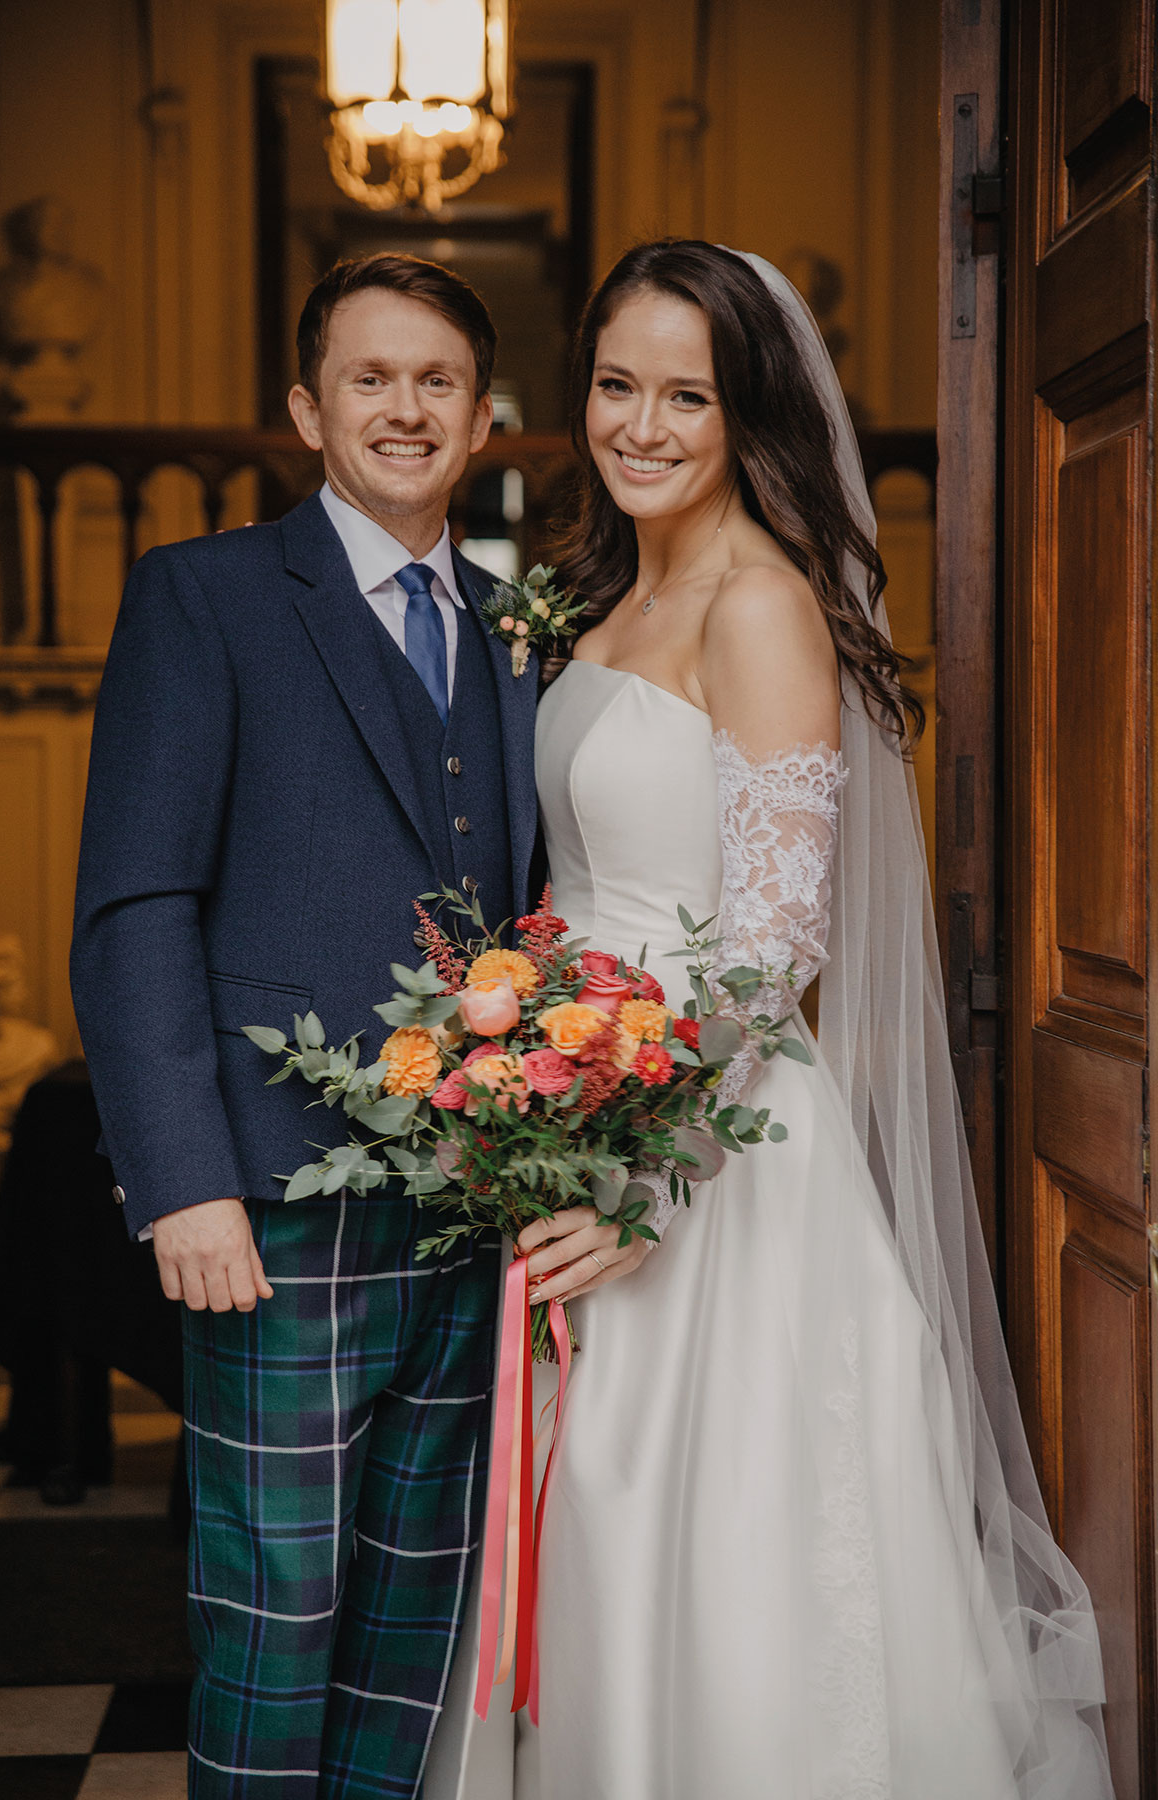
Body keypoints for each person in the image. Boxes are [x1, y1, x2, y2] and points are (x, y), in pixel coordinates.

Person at [425, 242, 1114, 1798]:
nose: (643, 425)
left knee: (722, 1545)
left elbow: (774, 948)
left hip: (706, 1149)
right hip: (582, 1108)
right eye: (617, 385)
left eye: (690, 394)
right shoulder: (604, 589)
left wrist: (638, 1175)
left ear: (751, 416)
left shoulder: (761, 605)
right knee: (599, 1530)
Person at [70, 252, 539, 1798]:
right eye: (370, 377)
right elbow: (137, 905)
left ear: (483, 417)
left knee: (420, 1611)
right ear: (306, 408)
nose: (406, 408)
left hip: (476, 1197)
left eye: (438, 382)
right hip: (273, 1199)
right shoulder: (203, 596)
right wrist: (180, 1179)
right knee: (275, 1617)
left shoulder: (522, 622)